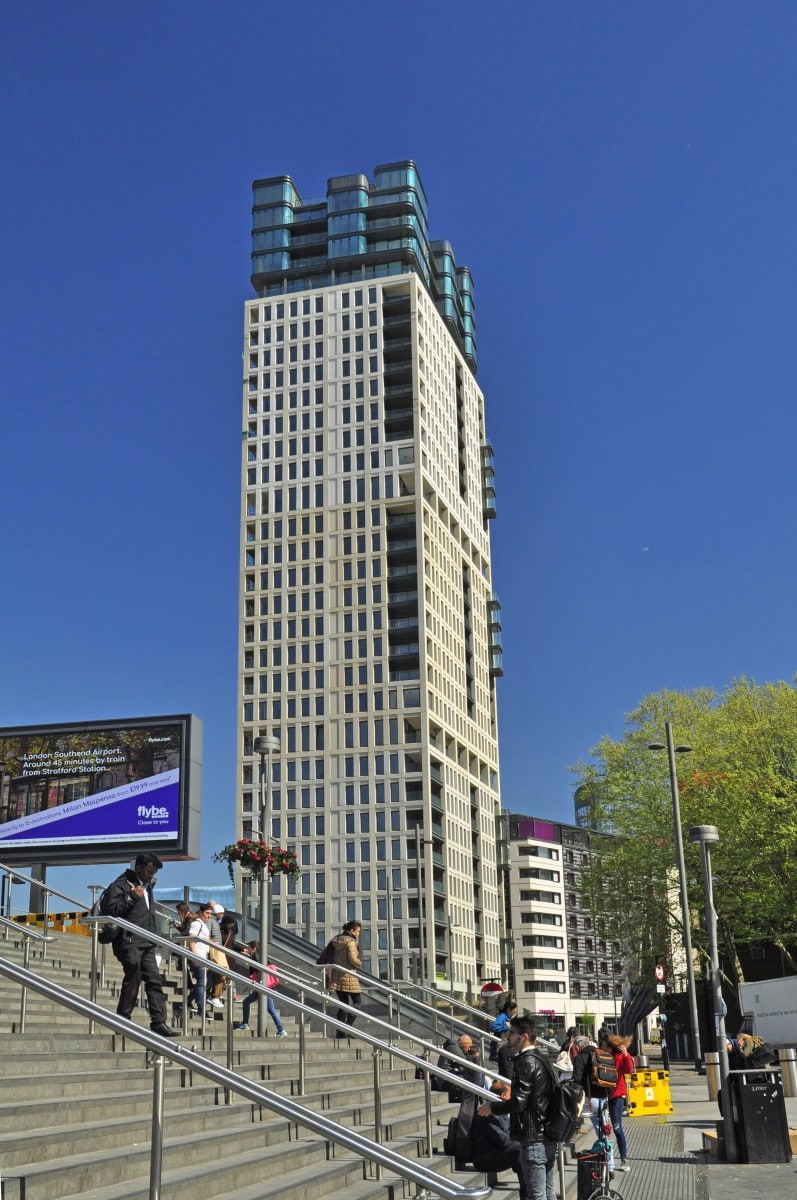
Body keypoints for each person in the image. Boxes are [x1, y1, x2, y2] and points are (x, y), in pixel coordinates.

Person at [476, 1016, 556, 1200]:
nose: (508, 1036)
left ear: (524, 1036)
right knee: (548, 1193)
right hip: (547, 1133)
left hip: (533, 1136)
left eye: (512, 1033)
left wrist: (491, 1107)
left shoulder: (526, 1061)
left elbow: (518, 1102)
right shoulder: (543, 1059)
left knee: (537, 1195)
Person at [101, 852, 177, 1037]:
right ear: (139, 867)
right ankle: (123, 1020)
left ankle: (158, 1022)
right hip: (128, 941)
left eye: (153, 873)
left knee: (154, 981)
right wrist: (131, 897)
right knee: (133, 977)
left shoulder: (147, 886)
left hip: (146, 941)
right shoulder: (120, 885)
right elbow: (111, 911)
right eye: (149, 871)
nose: (151, 876)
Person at [469, 1081, 525, 1197]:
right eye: (511, 1095)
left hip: (494, 1152)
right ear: (503, 1096)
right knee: (520, 1149)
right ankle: (528, 1193)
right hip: (484, 1159)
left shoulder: (499, 1111)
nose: (512, 1098)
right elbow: (504, 1141)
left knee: (524, 1149)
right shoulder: (487, 1113)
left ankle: (536, 1189)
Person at [572, 1032, 617, 1175]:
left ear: (578, 1047)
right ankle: (610, 1165)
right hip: (604, 1098)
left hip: (591, 1100)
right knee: (606, 1131)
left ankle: (605, 1163)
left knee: (600, 1132)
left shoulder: (580, 1057)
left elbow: (577, 1081)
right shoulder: (601, 1054)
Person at [234, 940, 288, 1037]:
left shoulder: (255, 956)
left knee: (270, 1009)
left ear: (254, 948)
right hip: (264, 986)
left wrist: (258, 982)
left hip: (263, 987)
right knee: (248, 1002)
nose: (248, 950)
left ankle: (281, 1030)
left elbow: (258, 970)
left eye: (249, 948)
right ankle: (245, 1023)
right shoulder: (261, 956)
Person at [326, 920, 363, 1036]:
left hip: (336, 976)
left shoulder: (336, 940)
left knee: (344, 1003)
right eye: (358, 931)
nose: (358, 934)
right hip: (348, 976)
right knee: (357, 1002)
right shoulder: (350, 942)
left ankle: (341, 1032)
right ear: (352, 930)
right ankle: (348, 1028)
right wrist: (359, 962)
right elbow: (352, 959)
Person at [606, 1033, 635, 1172]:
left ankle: (624, 1158)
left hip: (616, 1095)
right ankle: (607, 1158)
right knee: (606, 1129)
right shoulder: (603, 1057)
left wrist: (626, 1055)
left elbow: (628, 1070)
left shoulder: (619, 1057)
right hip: (605, 1096)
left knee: (617, 1128)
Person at [186, 903, 212, 1013]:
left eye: (210, 914)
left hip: (203, 957)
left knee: (203, 982)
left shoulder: (203, 925)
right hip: (199, 956)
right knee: (202, 982)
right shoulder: (197, 924)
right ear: (200, 913)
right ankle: (201, 1007)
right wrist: (195, 957)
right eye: (207, 913)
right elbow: (191, 939)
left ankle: (188, 1001)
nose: (209, 916)